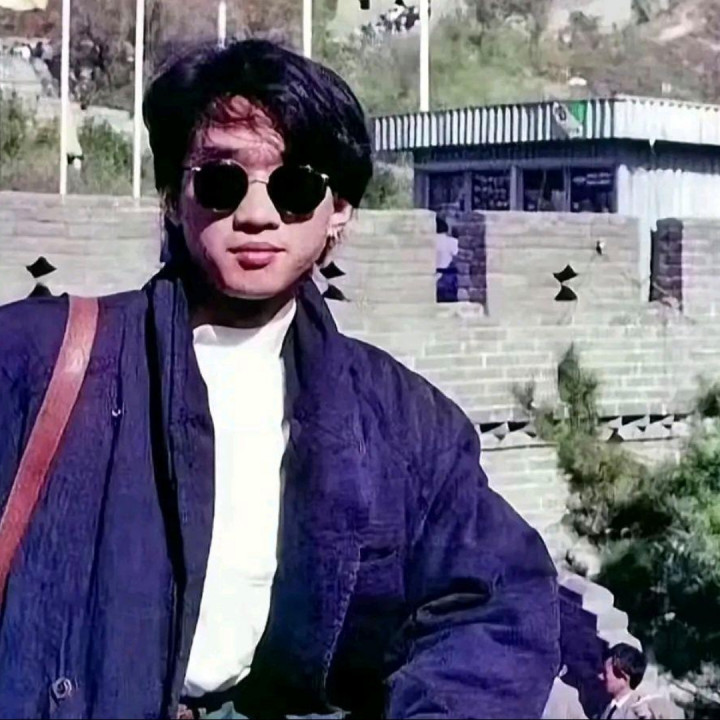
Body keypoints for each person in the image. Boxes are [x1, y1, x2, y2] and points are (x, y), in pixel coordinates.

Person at [0, 39, 560, 719]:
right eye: (221, 180)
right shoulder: (37, 360)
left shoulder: (402, 419)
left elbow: (497, 601)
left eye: (295, 187)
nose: (257, 214)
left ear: (339, 213)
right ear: (174, 198)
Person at [597, 645, 683, 720]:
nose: (600, 677)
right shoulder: (606, 706)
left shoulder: (639, 712)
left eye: (605, 673)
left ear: (623, 677)